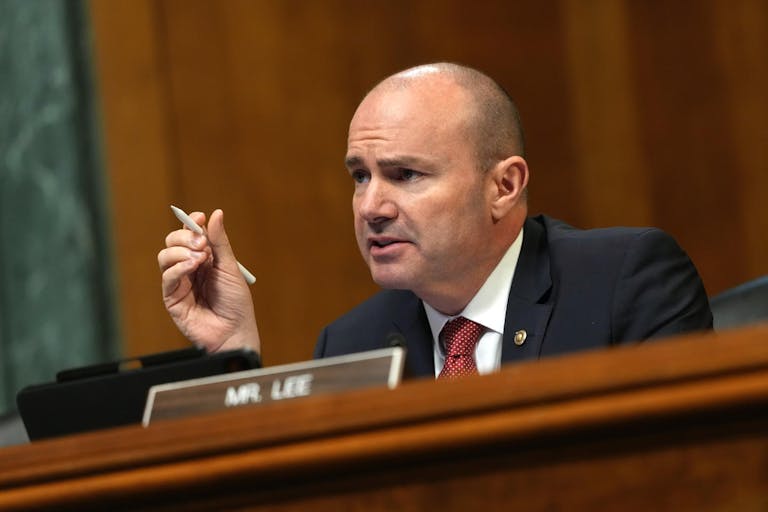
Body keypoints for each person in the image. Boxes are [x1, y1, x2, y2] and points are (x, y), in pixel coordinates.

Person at [158, 63, 712, 379]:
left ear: (504, 186)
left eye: (405, 175)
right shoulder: (353, 345)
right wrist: (235, 352)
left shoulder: (622, 282)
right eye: (360, 176)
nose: (371, 206)